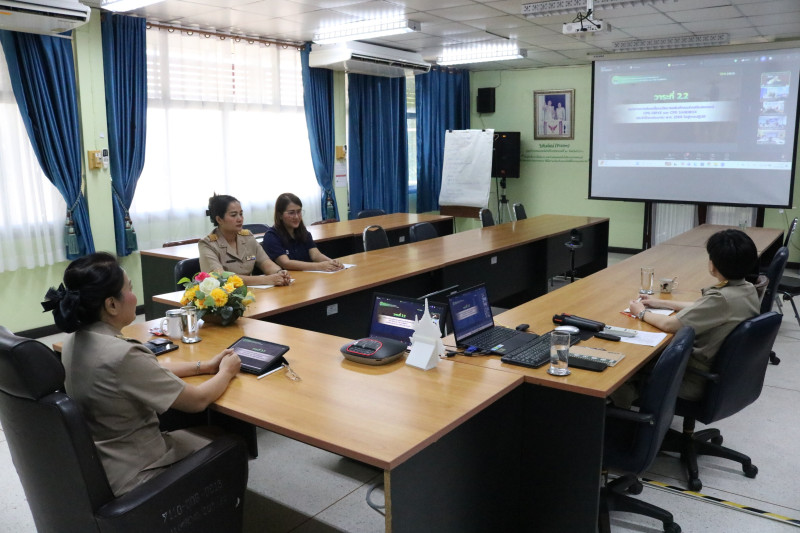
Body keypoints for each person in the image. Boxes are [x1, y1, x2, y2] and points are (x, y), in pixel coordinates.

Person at [41, 252, 242, 496]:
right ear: (111, 304)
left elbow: (148, 372)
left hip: (104, 461)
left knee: (206, 433)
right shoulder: (122, 354)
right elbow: (197, 401)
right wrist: (226, 371)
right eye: (130, 288)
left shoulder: (74, 341)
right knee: (227, 441)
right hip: (139, 469)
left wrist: (204, 366)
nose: (134, 296)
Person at [624, 229, 760, 403]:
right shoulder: (747, 289)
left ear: (713, 265)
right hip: (722, 375)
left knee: (629, 364)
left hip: (691, 378)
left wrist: (641, 312)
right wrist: (662, 303)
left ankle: (617, 412)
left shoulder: (721, 299)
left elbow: (669, 325)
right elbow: (703, 307)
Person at [199, 194, 292, 285]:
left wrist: (279, 272)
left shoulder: (247, 237)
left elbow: (265, 262)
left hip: (253, 291)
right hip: (226, 293)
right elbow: (220, 278)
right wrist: (266, 279)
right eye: (233, 215)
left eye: (241, 214)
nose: (240, 219)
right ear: (219, 220)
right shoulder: (208, 244)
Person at [261, 192, 343, 272]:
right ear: (280, 215)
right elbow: (285, 263)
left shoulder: (303, 232)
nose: (296, 217)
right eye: (291, 213)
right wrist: (319, 266)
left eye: (299, 211)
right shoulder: (271, 236)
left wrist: (332, 262)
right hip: (287, 278)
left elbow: (315, 255)